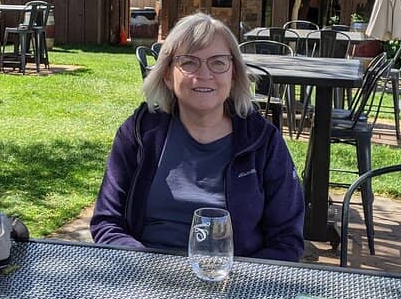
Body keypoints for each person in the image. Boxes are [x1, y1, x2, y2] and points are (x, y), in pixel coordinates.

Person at [91, 13, 305, 261]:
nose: (204, 74)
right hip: (144, 273)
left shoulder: (262, 141)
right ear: (168, 75)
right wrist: (143, 266)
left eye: (218, 62)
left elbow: (287, 239)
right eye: (189, 62)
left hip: (234, 279)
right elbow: (107, 222)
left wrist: (239, 279)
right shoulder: (139, 133)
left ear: (234, 74)